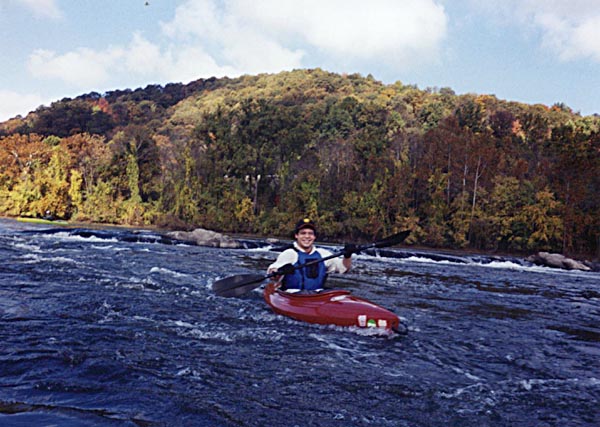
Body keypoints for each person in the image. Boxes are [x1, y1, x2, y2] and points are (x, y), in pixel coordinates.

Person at [267, 218, 356, 292]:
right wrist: (280, 271)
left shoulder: (323, 254)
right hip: (292, 296)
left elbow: (344, 268)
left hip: (317, 296)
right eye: (303, 233)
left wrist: (347, 256)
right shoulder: (289, 254)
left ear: (314, 237)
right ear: (296, 235)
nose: (307, 236)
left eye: (310, 233)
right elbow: (272, 273)